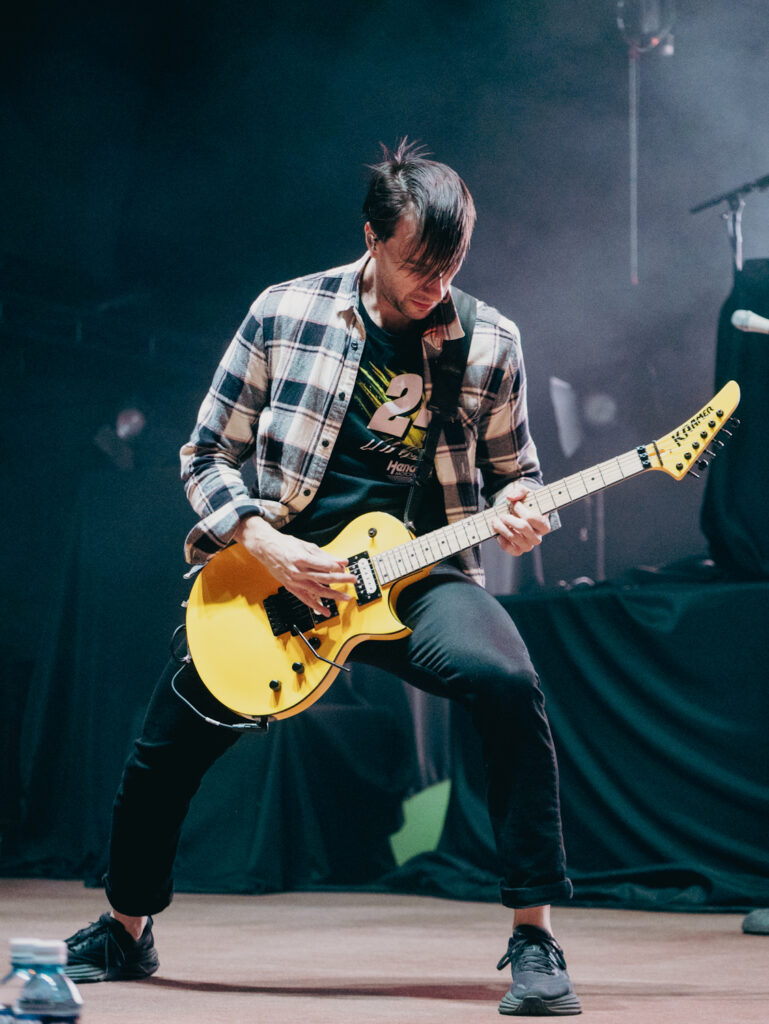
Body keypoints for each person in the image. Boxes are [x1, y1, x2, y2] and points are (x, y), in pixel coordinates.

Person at [63, 140, 581, 1017]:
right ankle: (126, 928)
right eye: (419, 265)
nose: (436, 284)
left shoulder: (490, 340)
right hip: (282, 575)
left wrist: (523, 509)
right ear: (372, 237)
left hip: (417, 576)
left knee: (508, 683)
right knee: (162, 750)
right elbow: (205, 452)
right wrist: (262, 542)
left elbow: (514, 475)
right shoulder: (285, 312)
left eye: (452, 264)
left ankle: (533, 934)